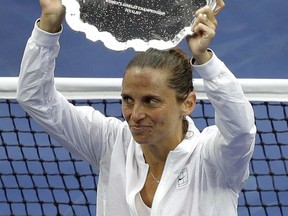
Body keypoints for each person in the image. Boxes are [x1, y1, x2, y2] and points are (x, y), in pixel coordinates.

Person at [17, 0, 256, 215]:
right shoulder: (110, 141)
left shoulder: (215, 158)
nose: (136, 115)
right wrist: (48, 23)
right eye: (128, 99)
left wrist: (204, 59)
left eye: (151, 101)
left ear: (188, 103)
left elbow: (241, 130)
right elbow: (36, 97)